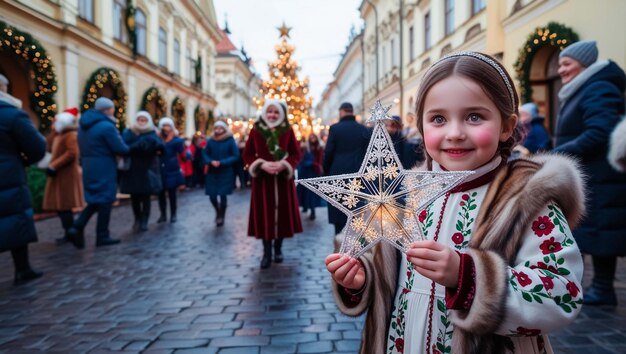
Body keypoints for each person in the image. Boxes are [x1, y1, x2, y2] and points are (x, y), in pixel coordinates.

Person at [326, 52, 586, 353]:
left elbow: (560, 294)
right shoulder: (398, 193)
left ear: (506, 125)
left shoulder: (527, 198)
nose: (455, 133)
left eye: (474, 116)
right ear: (421, 127)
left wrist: (467, 276)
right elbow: (375, 261)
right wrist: (358, 278)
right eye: (438, 119)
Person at [553, 40, 626, 306]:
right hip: (590, 174)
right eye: (560, 64)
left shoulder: (597, 86)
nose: (561, 70)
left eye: (566, 63)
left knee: (600, 231)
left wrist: (561, 152)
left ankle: (603, 289)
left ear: (584, 64)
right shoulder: (583, 87)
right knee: (589, 230)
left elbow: (600, 130)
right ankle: (587, 286)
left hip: (600, 175)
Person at [243, 100, 302, 269]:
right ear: (264, 112)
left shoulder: (288, 130)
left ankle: (278, 249)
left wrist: (285, 164)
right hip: (263, 181)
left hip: (283, 180)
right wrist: (261, 164)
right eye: (269, 112)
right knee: (264, 216)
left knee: (282, 215)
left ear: (281, 114)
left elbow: (295, 153)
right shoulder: (256, 130)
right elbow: (247, 154)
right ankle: (266, 252)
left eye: (276, 112)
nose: (272, 115)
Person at [0, 75, 47, 285]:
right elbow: (37, 147)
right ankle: (22, 268)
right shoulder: (11, 115)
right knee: (15, 218)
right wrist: (23, 161)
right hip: (8, 175)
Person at [67, 97, 129, 249]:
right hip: (104, 166)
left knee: (95, 200)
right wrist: (129, 148)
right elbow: (120, 148)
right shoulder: (106, 126)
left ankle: (77, 227)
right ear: (108, 110)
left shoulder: (83, 126)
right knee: (105, 200)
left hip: (89, 165)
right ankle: (102, 235)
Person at [323, 102, 371, 234]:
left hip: (338, 172)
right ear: (352, 111)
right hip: (358, 174)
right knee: (356, 209)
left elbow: (328, 152)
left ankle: (339, 238)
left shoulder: (335, 128)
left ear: (341, 112)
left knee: (338, 208)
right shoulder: (363, 129)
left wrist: (326, 172)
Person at [42, 109, 85, 240]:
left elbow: (72, 153)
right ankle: (69, 232)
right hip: (58, 174)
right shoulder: (59, 135)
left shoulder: (71, 135)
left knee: (65, 206)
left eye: (55, 122)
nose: (53, 124)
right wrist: (53, 132)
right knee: (60, 206)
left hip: (66, 175)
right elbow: (48, 148)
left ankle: (72, 232)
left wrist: (55, 165)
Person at [120, 111, 163, 232]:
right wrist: (138, 145)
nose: (141, 122)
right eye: (140, 120)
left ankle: (144, 220)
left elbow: (160, 148)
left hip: (147, 169)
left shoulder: (152, 134)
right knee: (134, 196)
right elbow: (125, 147)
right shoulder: (129, 133)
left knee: (145, 196)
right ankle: (137, 218)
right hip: (133, 168)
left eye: (144, 120)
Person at [202, 120, 239, 227]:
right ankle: (218, 211)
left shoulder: (230, 140)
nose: (218, 130)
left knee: (223, 195)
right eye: (216, 128)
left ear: (224, 129)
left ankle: (221, 216)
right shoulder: (210, 140)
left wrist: (222, 162)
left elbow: (235, 155)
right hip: (212, 172)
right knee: (212, 196)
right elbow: (205, 154)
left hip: (225, 171)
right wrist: (210, 161)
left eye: (220, 128)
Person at [157, 117, 184, 223]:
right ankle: (163, 214)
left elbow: (181, 151)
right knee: (161, 194)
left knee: (172, 193)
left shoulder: (176, 140)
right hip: (160, 168)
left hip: (172, 168)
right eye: (164, 125)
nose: (166, 128)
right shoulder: (158, 138)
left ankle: (173, 214)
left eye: (168, 125)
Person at [296, 133, 324, 220]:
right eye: (311, 137)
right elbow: (300, 158)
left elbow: (320, 160)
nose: (312, 138)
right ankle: (305, 207)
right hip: (305, 172)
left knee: (312, 193)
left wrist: (317, 166)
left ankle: (312, 211)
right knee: (304, 191)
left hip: (313, 172)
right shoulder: (305, 148)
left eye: (314, 137)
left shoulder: (319, 148)